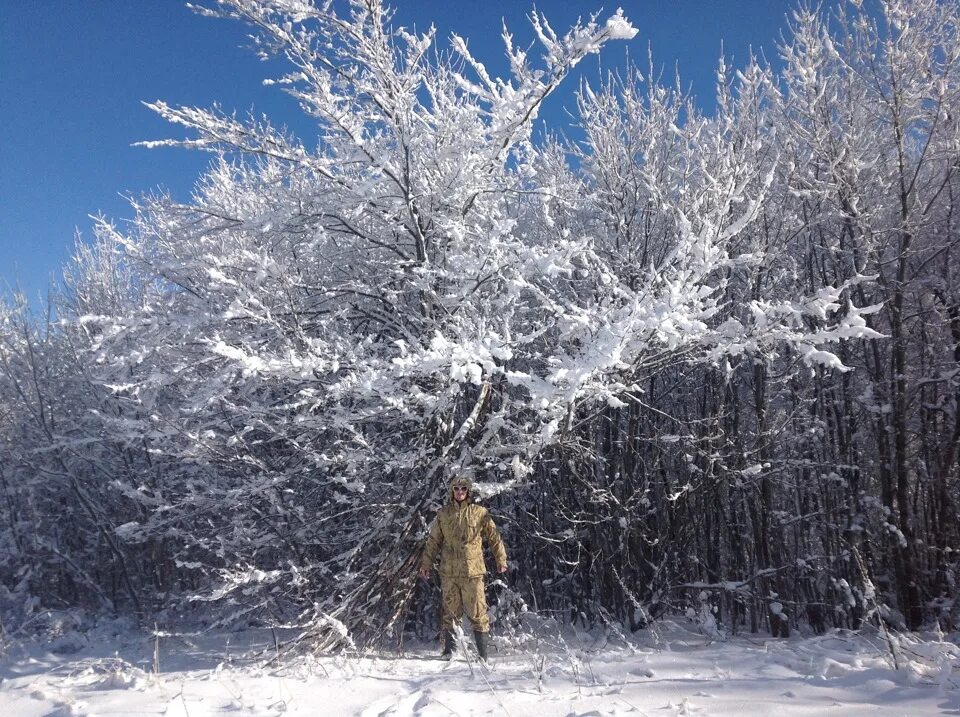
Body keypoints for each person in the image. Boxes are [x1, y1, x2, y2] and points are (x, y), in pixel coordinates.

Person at [418, 475, 507, 661]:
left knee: (477, 612)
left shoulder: (479, 512)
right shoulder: (443, 514)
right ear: (452, 491)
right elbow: (433, 541)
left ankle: (483, 656)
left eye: (463, 489)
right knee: (450, 612)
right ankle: (450, 652)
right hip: (449, 572)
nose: (460, 492)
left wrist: (501, 559)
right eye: (456, 489)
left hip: (472, 571)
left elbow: (494, 537)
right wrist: (426, 564)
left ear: (468, 492)